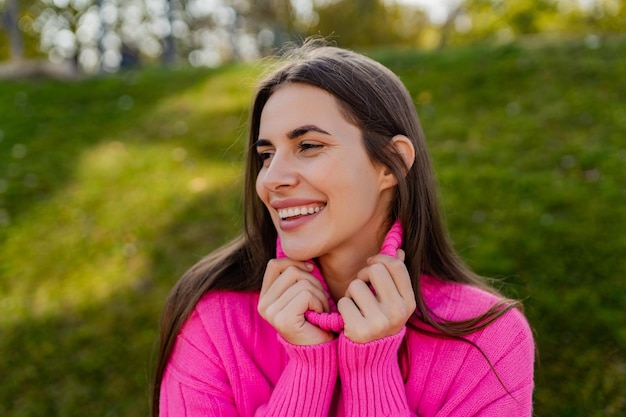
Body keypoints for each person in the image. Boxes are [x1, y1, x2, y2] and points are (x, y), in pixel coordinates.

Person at [151, 39, 535, 416]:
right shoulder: (213, 323)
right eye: (267, 155)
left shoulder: (488, 338)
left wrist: (371, 371)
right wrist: (307, 371)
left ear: (391, 164)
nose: (272, 179)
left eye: (309, 146)